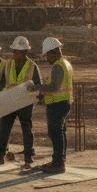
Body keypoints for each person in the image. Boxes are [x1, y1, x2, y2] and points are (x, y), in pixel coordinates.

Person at [0, 36, 43, 166]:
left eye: (20, 52)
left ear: (25, 52)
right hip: (10, 102)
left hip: (25, 103)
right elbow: (1, 83)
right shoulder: (8, 64)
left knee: (27, 128)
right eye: (15, 52)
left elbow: (39, 85)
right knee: (4, 128)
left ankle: (28, 156)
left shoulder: (32, 66)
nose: (17, 55)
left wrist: (39, 96)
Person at [28, 37, 73, 174]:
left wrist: (37, 87)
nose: (46, 58)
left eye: (47, 55)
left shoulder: (58, 66)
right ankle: (58, 160)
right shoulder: (65, 63)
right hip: (63, 102)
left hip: (57, 104)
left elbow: (54, 87)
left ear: (53, 52)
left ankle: (58, 163)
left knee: (55, 133)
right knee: (60, 133)